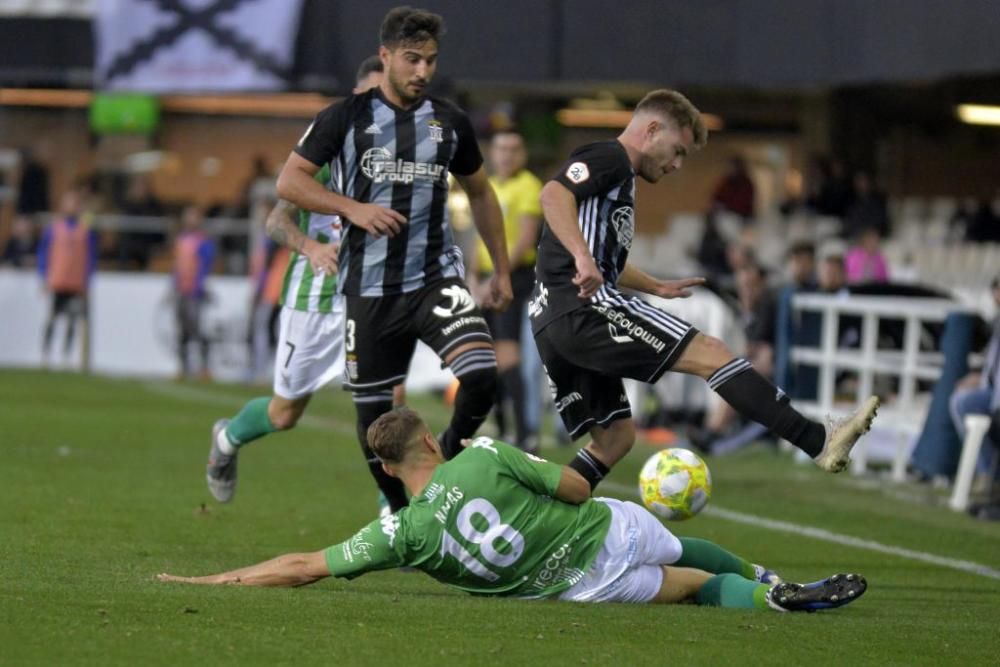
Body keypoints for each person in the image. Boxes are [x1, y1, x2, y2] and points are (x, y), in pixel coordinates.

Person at [160, 408, 867, 612]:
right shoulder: (485, 455)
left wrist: (216, 580)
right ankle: (771, 581)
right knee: (696, 554)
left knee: (695, 591)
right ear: (432, 439)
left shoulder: (400, 534)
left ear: (384, 467)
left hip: (583, 585)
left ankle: (771, 598)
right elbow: (577, 488)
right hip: (605, 527)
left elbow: (307, 566)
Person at [529, 89, 879, 494]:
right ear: (652, 129)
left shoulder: (619, 179)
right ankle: (819, 440)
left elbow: (603, 257)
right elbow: (553, 195)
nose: (677, 164)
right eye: (678, 151)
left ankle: (539, 513)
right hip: (582, 309)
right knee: (713, 354)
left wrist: (654, 285)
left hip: (551, 321)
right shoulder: (611, 157)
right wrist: (582, 258)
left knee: (616, 439)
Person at [270, 7, 511, 515]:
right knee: (375, 416)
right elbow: (290, 183)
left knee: (483, 373)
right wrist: (352, 208)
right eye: (411, 59)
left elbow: (483, 195)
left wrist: (502, 269)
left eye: (430, 61)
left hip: (433, 278)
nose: (422, 71)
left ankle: (442, 462)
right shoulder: (345, 117)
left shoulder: (450, 122)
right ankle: (399, 511)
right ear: (385, 58)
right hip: (368, 288)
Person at [206, 58, 405, 503]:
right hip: (316, 300)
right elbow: (277, 221)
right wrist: (311, 248)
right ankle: (227, 439)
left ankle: (394, 513)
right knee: (284, 413)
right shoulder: (323, 153)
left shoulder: (402, 161)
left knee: (390, 407)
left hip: (373, 300)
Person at [469, 128, 543, 453]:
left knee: (508, 353)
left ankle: (527, 433)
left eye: (513, 149)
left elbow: (526, 239)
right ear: (493, 153)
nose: (507, 155)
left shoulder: (529, 186)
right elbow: (478, 235)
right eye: (501, 148)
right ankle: (501, 426)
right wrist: (473, 276)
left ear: (522, 154)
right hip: (486, 276)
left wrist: (495, 277)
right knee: (488, 355)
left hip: (513, 274)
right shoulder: (488, 186)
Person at [949, 276, 1000, 508]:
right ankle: (985, 473)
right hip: (992, 389)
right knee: (962, 402)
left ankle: (990, 477)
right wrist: (979, 375)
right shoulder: (996, 321)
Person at [37, 187, 98, 368]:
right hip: (57, 280)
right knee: (52, 318)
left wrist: (87, 280)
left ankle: (66, 356)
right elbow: (44, 253)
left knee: (73, 319)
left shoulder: (85, 230)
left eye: (74, 203)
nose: (71, 206)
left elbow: (91, 257)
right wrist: (43, 276)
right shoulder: (54, 228)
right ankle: (46, 354)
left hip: (76, 283)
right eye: (68, 202)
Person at [173, 205, 216, 381]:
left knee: (197, 330)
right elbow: (177, 266)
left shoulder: (203, 241)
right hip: (182, 290)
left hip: (195, 292)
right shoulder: (181, 239)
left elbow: (205, 266)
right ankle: (183, 367)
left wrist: (198, 286)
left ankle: (204, 367)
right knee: (182, 330)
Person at [710, 155, 755, 222]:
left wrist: (727, 207)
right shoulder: (726, 181)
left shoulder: (746, 183)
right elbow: (717, 196)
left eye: (733, 167)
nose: (730, 169)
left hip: (741, 216)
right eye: (729, 167)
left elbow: (743, 202)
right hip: (726, 214)